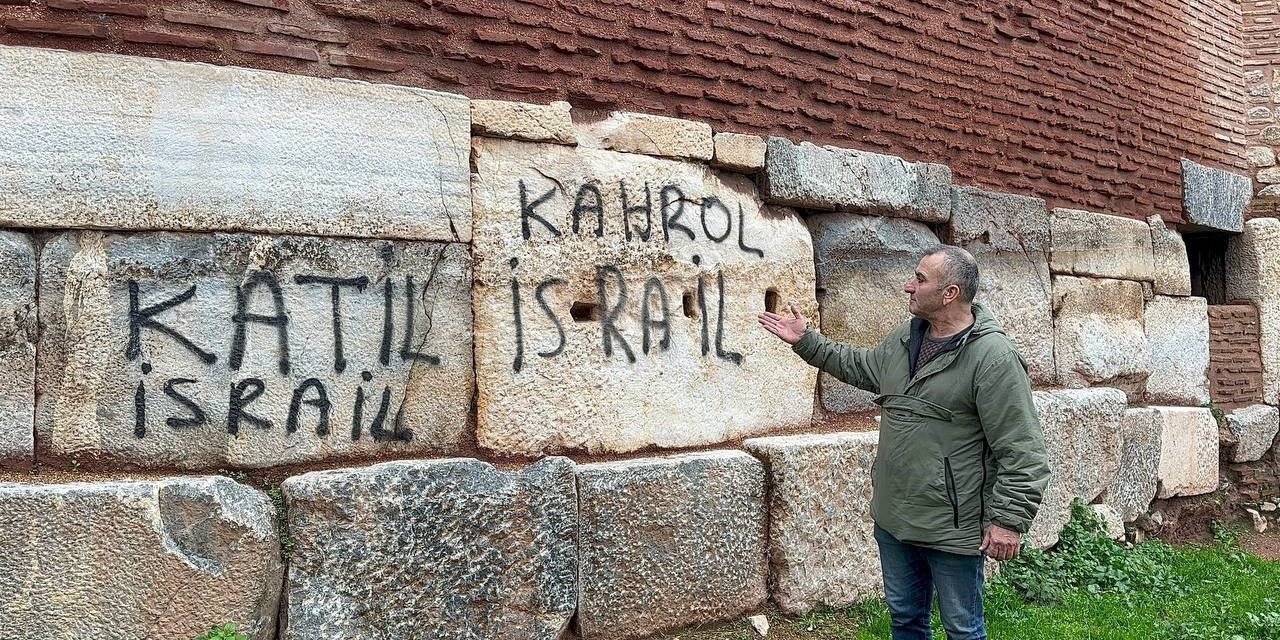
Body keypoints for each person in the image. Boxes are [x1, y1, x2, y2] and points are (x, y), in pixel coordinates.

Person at [757, 244, 1050, 640]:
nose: (907, 286)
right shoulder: (906, 338)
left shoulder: (992, 357)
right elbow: (862, 368)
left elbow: (1023, 450)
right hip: (895, 517)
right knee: (906, 622)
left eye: (920, 279)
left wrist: (1008, 521)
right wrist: (808, 341)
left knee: (963, 630)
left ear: (950, 293)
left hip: (952, 527)